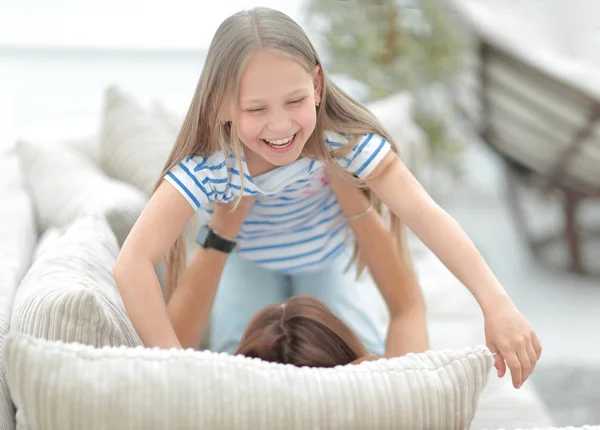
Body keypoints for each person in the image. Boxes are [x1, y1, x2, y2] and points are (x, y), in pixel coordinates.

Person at [113, 7, 541, 389]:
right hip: (247, 259)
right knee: (237, 362)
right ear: (221, 105)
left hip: (326, 256)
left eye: (295, 100)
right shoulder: (213, 166)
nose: (279, 126)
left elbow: (425, 215)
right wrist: (170, 369)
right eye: (256, 109)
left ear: (317, 85)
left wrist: (497, 305)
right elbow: (132, 263)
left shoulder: (344, 143)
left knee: (355, 359)